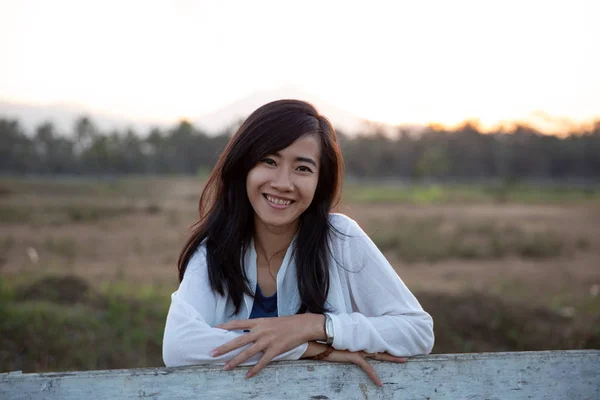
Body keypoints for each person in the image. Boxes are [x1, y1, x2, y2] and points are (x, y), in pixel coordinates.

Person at [162, 99, 434, 386]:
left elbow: (416, 331)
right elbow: (179, 347)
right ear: (244, 168)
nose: (282, 183)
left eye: (302, 168)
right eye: (269, 161)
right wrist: (308, 348)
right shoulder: (215, 250)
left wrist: (313, 326)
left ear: (320, 181)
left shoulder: (340, 238)